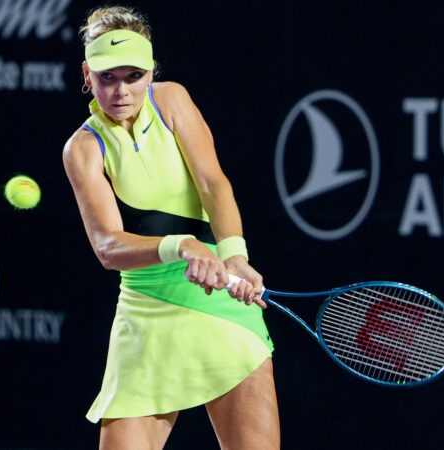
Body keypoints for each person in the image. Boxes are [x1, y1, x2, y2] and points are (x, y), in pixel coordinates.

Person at [62, 6, 279, 449]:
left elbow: (213, 183)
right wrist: (181, 246)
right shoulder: (82, 148)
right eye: (107, 77)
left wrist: (234, 255)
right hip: (146, 313)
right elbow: (107, 247)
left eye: (134, 76)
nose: (121, 90)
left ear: (151, 72)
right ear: (87, 74)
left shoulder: (172, 100)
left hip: (220, 305)